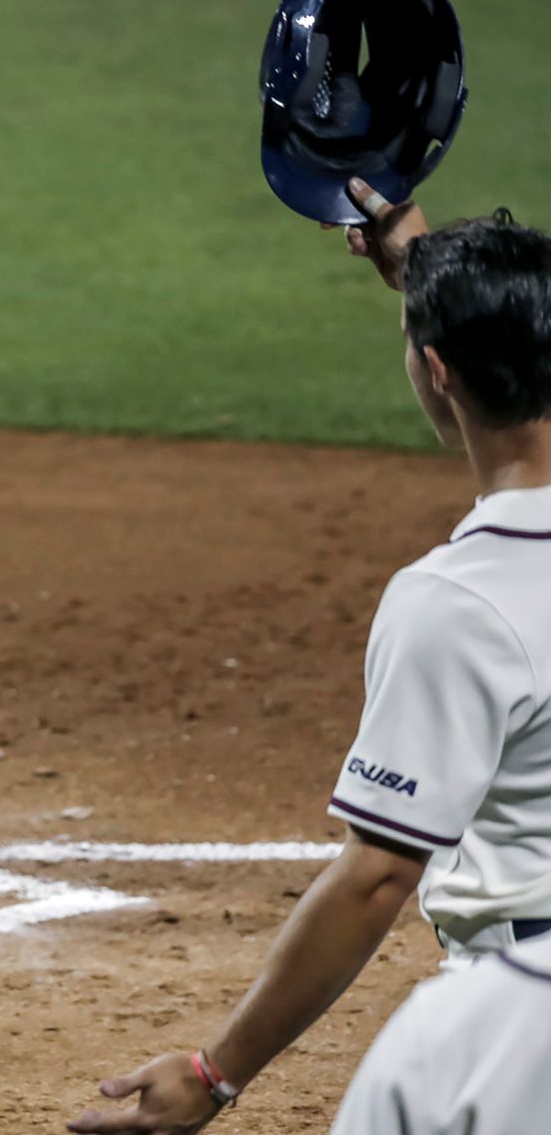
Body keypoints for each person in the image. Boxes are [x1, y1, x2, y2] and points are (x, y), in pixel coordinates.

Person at [69, 177, 551, 1135]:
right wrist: (419, 270)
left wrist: (215, 1073)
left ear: (437, 375)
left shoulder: (458, 601)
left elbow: (379, 873)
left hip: (523, 1021)